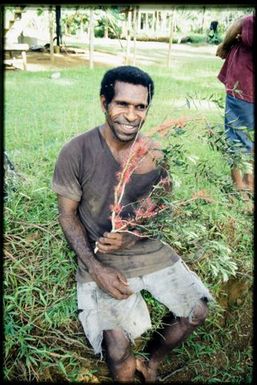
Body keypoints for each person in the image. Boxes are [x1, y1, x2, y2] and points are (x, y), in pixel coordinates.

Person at [52, 66, 213, 382]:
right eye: (122, 104)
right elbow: (67, 216)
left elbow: (161, 205)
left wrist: (133, 234)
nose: (131, 115)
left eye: (140, 107)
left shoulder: (156, 153)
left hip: (146, 249)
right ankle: (127, 368)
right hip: (102, 258)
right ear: (104, 103)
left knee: (196, 310)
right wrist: (96, 269)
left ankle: (152, 362)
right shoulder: (76, 151)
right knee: (117, 348)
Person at [216, 14, 255, 193]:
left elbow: (241, 23)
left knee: (240, 139)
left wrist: (225, 45)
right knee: (239, 139)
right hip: (245, 84)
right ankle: (241, 189)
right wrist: (226, 45)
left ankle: (248, 185)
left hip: (246, 83)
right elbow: (244, 23)